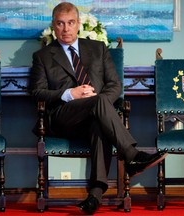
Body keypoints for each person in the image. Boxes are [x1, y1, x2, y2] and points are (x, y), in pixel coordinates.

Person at [30, 2, 167, 215]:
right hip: (63, 118)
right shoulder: (43, 56)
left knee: (99, 123)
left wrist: (98, 101)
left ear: (78, 24)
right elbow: (37, 92)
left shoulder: (98, 48)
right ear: (54, 26)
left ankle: (94, 195)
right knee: (99, 104)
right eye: (60, 24)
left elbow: (114, 85)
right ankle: (131, 154)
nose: (65, 29)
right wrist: (70, 94)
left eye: (70, 23)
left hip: (96, 114)